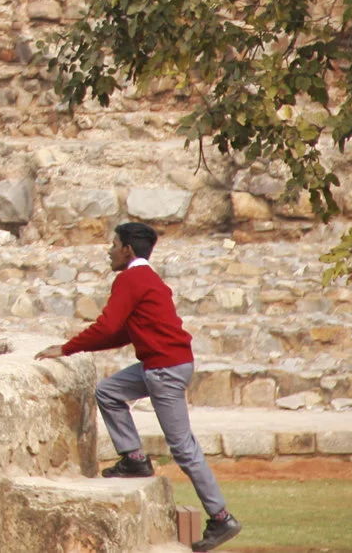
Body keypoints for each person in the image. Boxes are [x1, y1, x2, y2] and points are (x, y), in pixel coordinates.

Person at [38, 223, 241, 553]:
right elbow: (120, 332)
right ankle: (134, 459)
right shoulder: (150, 279)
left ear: (128, 250)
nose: (109, 249)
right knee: (108, 391)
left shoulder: (130, 279)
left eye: (114, 244)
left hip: (163, 369)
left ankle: (221, 517)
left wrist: (66, 348)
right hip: (163, 363)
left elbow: (106, 326)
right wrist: (75, 345)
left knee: (182, 447)